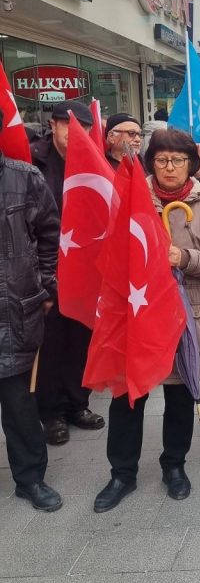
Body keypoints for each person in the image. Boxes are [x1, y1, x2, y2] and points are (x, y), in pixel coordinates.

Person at [93, 130, 200, 512]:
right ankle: (122, 473)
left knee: (179, 396)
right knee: (128, 396)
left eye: (178, 160)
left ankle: (174, 465)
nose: (170, 167)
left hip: (184, 318)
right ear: (150, 162)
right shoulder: (132, 200)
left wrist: (184, 258)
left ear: (191, 164)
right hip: (137, 315)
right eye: (161, 160)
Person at [0, 108, 63, 511]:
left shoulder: (25, 179)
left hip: (14, 311)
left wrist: (45, 285)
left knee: (19, 404)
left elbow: (50, 236)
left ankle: (30, 479)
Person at [31, 100, 105, 444]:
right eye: (69, 125)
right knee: (51, 345)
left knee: (80, 341)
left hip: (84, 269)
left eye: (85, 128)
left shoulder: (92, 160)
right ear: (53, 125)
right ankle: (52, 414)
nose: (77, 134)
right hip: (46, 270)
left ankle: (78, 404)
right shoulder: (33, 162)